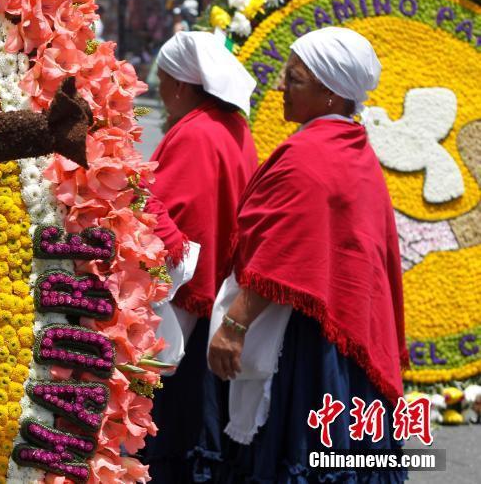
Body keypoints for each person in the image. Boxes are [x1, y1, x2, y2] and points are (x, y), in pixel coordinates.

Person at [204, 27, 407, 482]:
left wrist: (234, 326)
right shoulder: (352, 147)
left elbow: (285, 255)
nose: (280, 87)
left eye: (294, 79)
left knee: (300, 454)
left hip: (307, 341)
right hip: (343, 333)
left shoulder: (310, 156)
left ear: (331, 93)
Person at [142, 31, 258, 483]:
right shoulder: (230, 124)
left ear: (184, 85)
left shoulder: (196, 133)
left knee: (178, 428)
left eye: (163, 78)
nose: (158, 89)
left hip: (187, 301)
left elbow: (174, 216)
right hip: (217, 296)